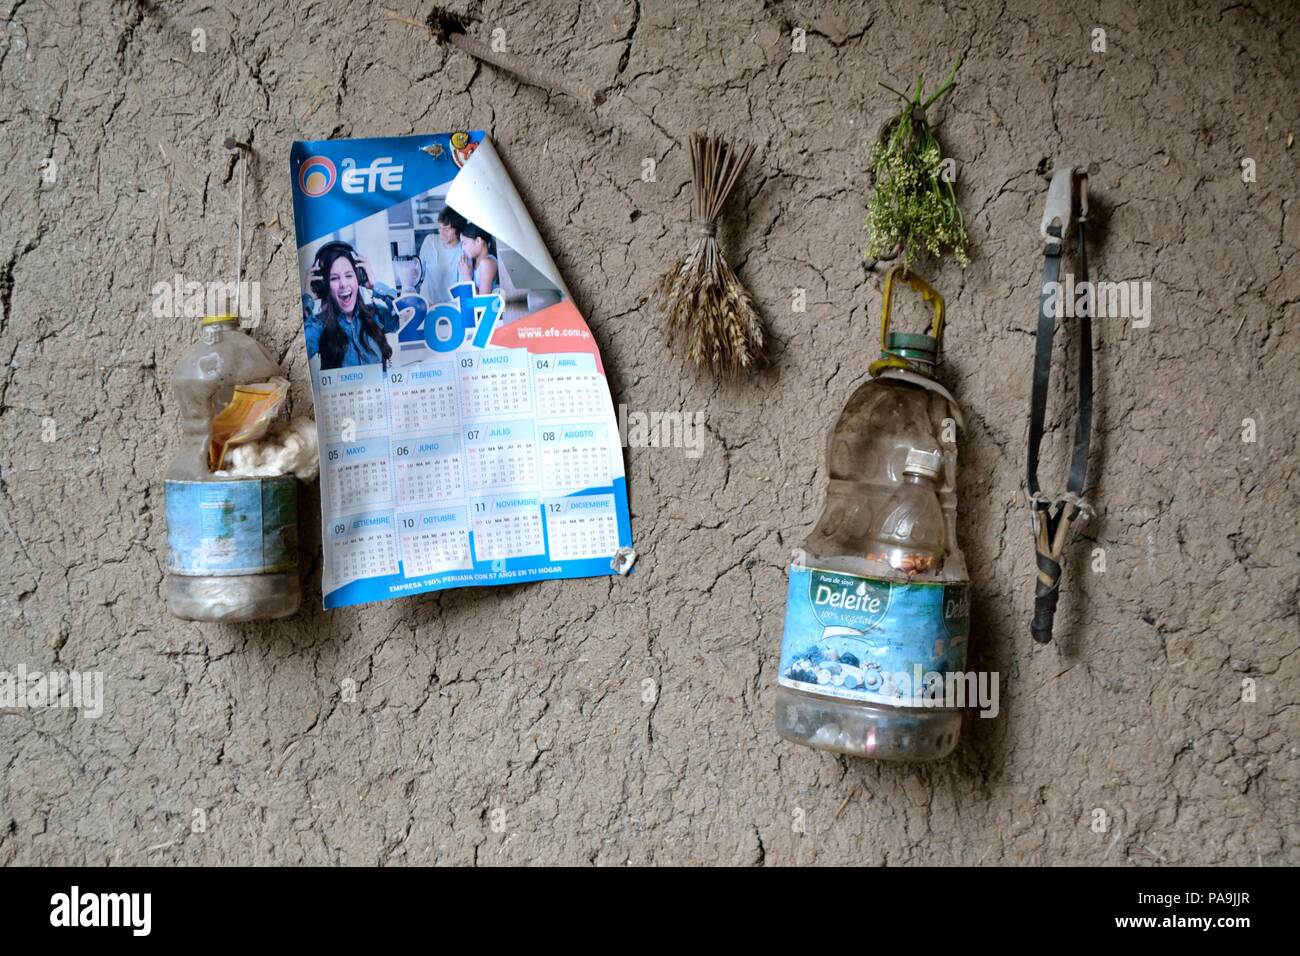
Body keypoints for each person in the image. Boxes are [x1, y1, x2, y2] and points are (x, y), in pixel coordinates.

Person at [304, 244, 398, 370]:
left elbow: (411, 315)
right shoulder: (318, 325)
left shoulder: (376, 314)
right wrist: (307, 300)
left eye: (349, 275)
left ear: (358, 278)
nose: (343, 284)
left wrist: (376, 286)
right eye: (334, 278)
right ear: (324, 286)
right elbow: (298, 353)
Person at [418, 206, 467, 304]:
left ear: (458, 230)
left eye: (446, 229)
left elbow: (463, 285)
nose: (441, 233)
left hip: (450, 308)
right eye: (440, 228)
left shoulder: (464, 249)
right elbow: (419, 273)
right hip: (427, 305)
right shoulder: (430, 241)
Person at [458, 222, 499, 295]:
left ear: (478, 241)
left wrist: (467, 276)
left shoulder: (487, 263)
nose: (463, 248)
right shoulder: (473, 263)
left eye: (465, 243)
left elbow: (482, 301)